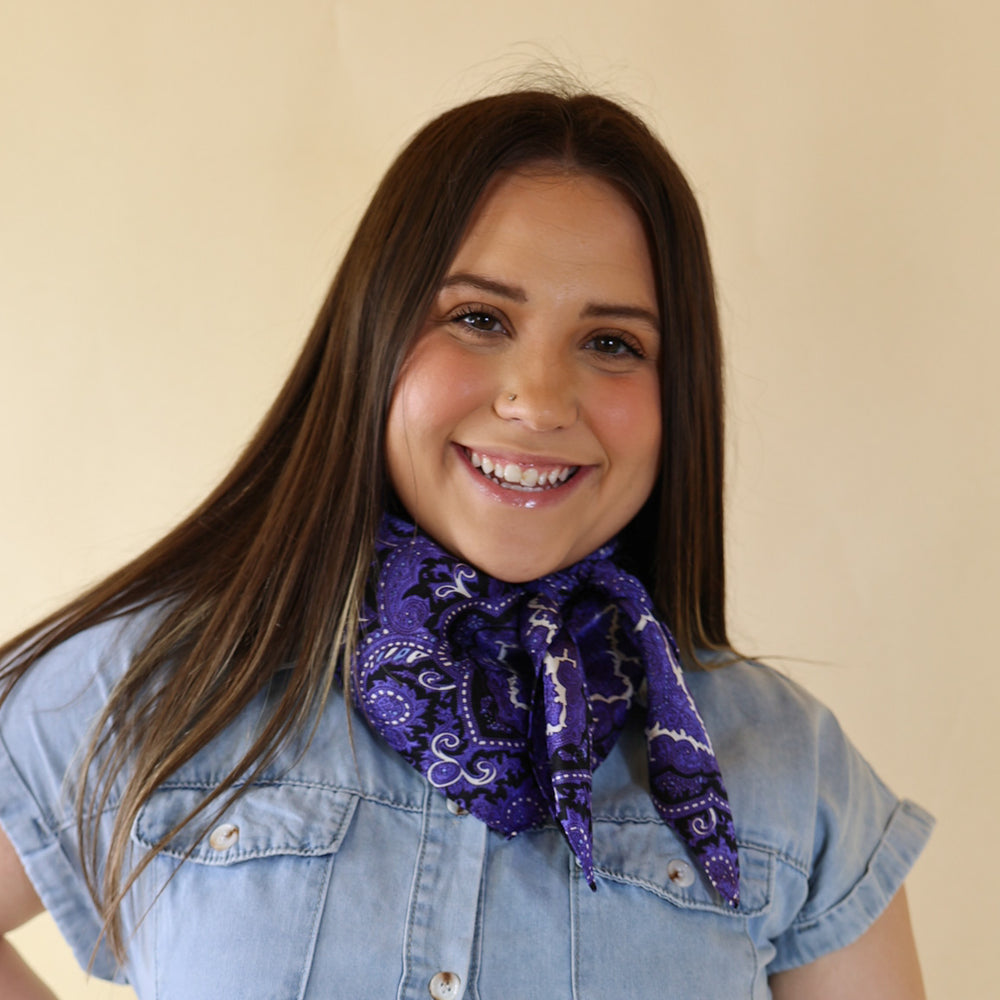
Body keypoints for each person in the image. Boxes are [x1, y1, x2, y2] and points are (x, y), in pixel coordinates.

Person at [0, 87, 932, 999]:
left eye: (612, 343)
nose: (537, 400)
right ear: (373, 340)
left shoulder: (791, 772)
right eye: (479, 319)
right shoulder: (151, 684)